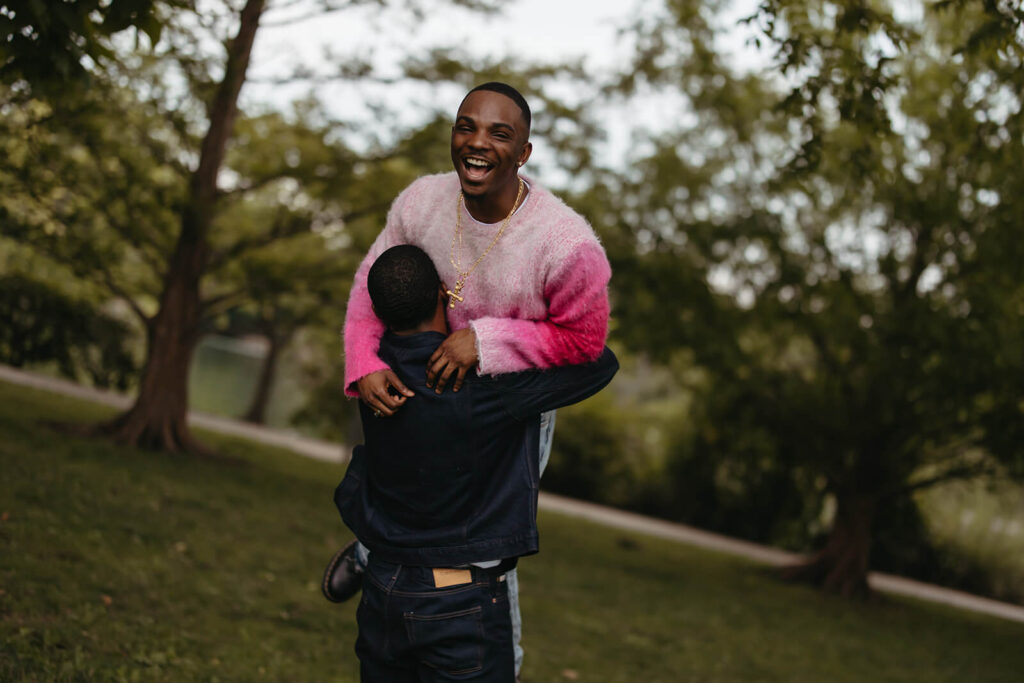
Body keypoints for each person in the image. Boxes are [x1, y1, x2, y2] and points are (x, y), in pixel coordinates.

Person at [331, 81, 612, 674]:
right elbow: (370, 282)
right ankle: (373, 545)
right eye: (466, 126)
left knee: (482, 538)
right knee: (405, 480)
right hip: (418, 374)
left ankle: (379, 555)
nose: (477, 143)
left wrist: (485, 341)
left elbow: (586, 342)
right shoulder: (421, 202)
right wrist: (364, 364)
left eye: (498, 133)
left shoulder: (565, 247)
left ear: (524, 152)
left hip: (510, 393)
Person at [334, 245, 617, 681]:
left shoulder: (373, 369)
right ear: (445, 295)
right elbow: (599, 360)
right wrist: (488, 340)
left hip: (384, 587)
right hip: (455, 602)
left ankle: (360, 553)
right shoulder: (488, 383)